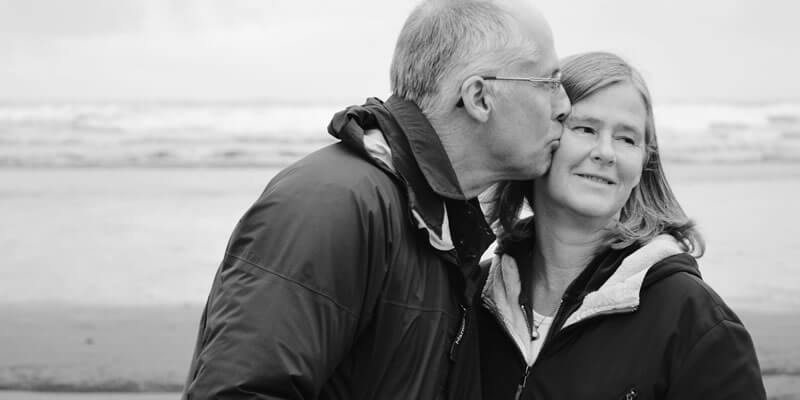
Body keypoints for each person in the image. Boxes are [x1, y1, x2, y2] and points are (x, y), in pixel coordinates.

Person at [182, 0, 570, 399]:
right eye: (550, 83)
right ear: (479, 97)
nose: (565, 107)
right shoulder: (333, 205)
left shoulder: (437, 224)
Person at [477, 51, 766, 400]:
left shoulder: (695, 321)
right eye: (584, 128)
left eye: (627, 138)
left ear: (645, 162)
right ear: (541, 135)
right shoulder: (472, 296)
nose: (605, 152)